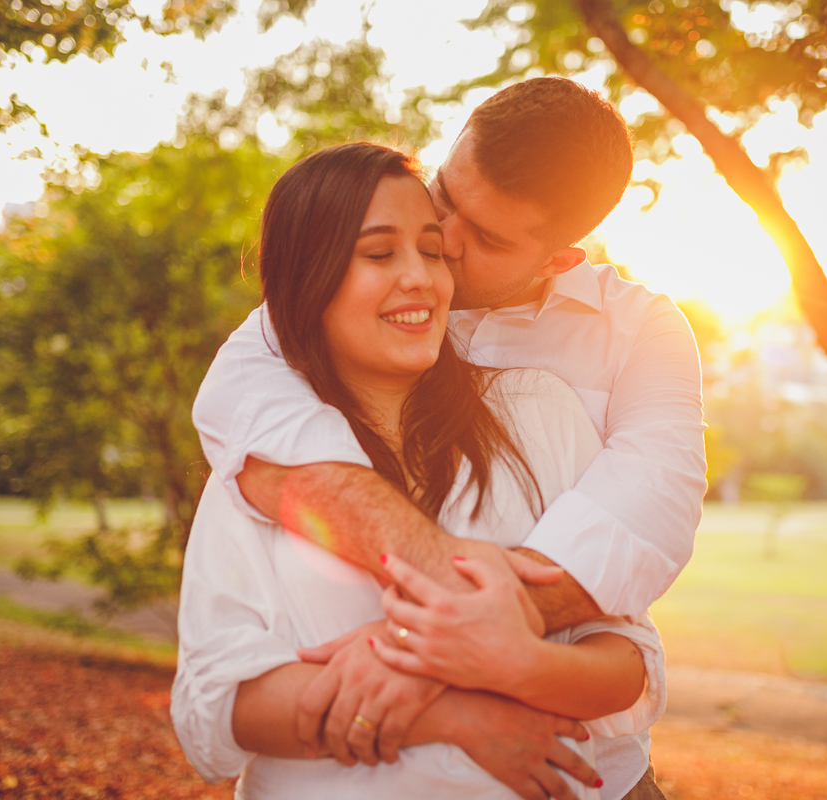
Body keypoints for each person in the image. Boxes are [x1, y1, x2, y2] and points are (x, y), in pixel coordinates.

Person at [192, 77, 707, 800]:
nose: (444, 243)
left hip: (587, 779)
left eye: (490, 237)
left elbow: (650, 509)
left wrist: (432, 649)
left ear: (558, 258)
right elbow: (251, 424)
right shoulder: (360, 297)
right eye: (445, 195)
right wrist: (447, 664)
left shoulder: (638, 334)